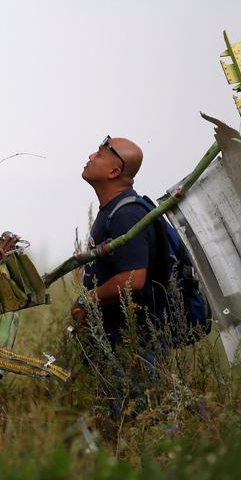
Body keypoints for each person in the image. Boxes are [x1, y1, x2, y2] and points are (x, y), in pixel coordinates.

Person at [70, 135, 165, 346]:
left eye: (100, 154)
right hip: (115, 339)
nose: (91, 156)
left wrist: (86, 300)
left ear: (114, 171)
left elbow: (133, 279)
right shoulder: (112, 210)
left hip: (134, 345)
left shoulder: (127, 214)